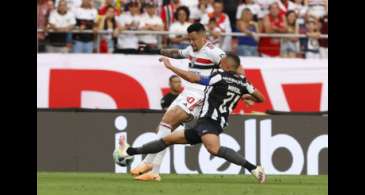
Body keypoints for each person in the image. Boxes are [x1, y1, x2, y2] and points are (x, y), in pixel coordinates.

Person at [120, 53, 266, 183]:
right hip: (207, 122)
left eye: (223, 61)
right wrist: (245, 96)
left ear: (228, 64)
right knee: (167, 140)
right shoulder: (244, 82)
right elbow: (260, 98)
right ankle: (130, 151)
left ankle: (254, 168)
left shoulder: (219, 76)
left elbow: (192, 78)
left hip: (210, 121)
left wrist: (171, 67)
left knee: (214, 149)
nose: (221, 63)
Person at [130, 23, 227, 181]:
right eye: (189, 39)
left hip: (201, 93)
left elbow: (230, 68)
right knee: (165, 128)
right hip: (187, 92)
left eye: (194, 39)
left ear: (203, 36)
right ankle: (154, 171)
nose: (192, 43)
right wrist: (153, 50)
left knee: (169, 120)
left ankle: (148, 162)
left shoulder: (214, 52)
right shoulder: (191, 49)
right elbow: (176, 53)